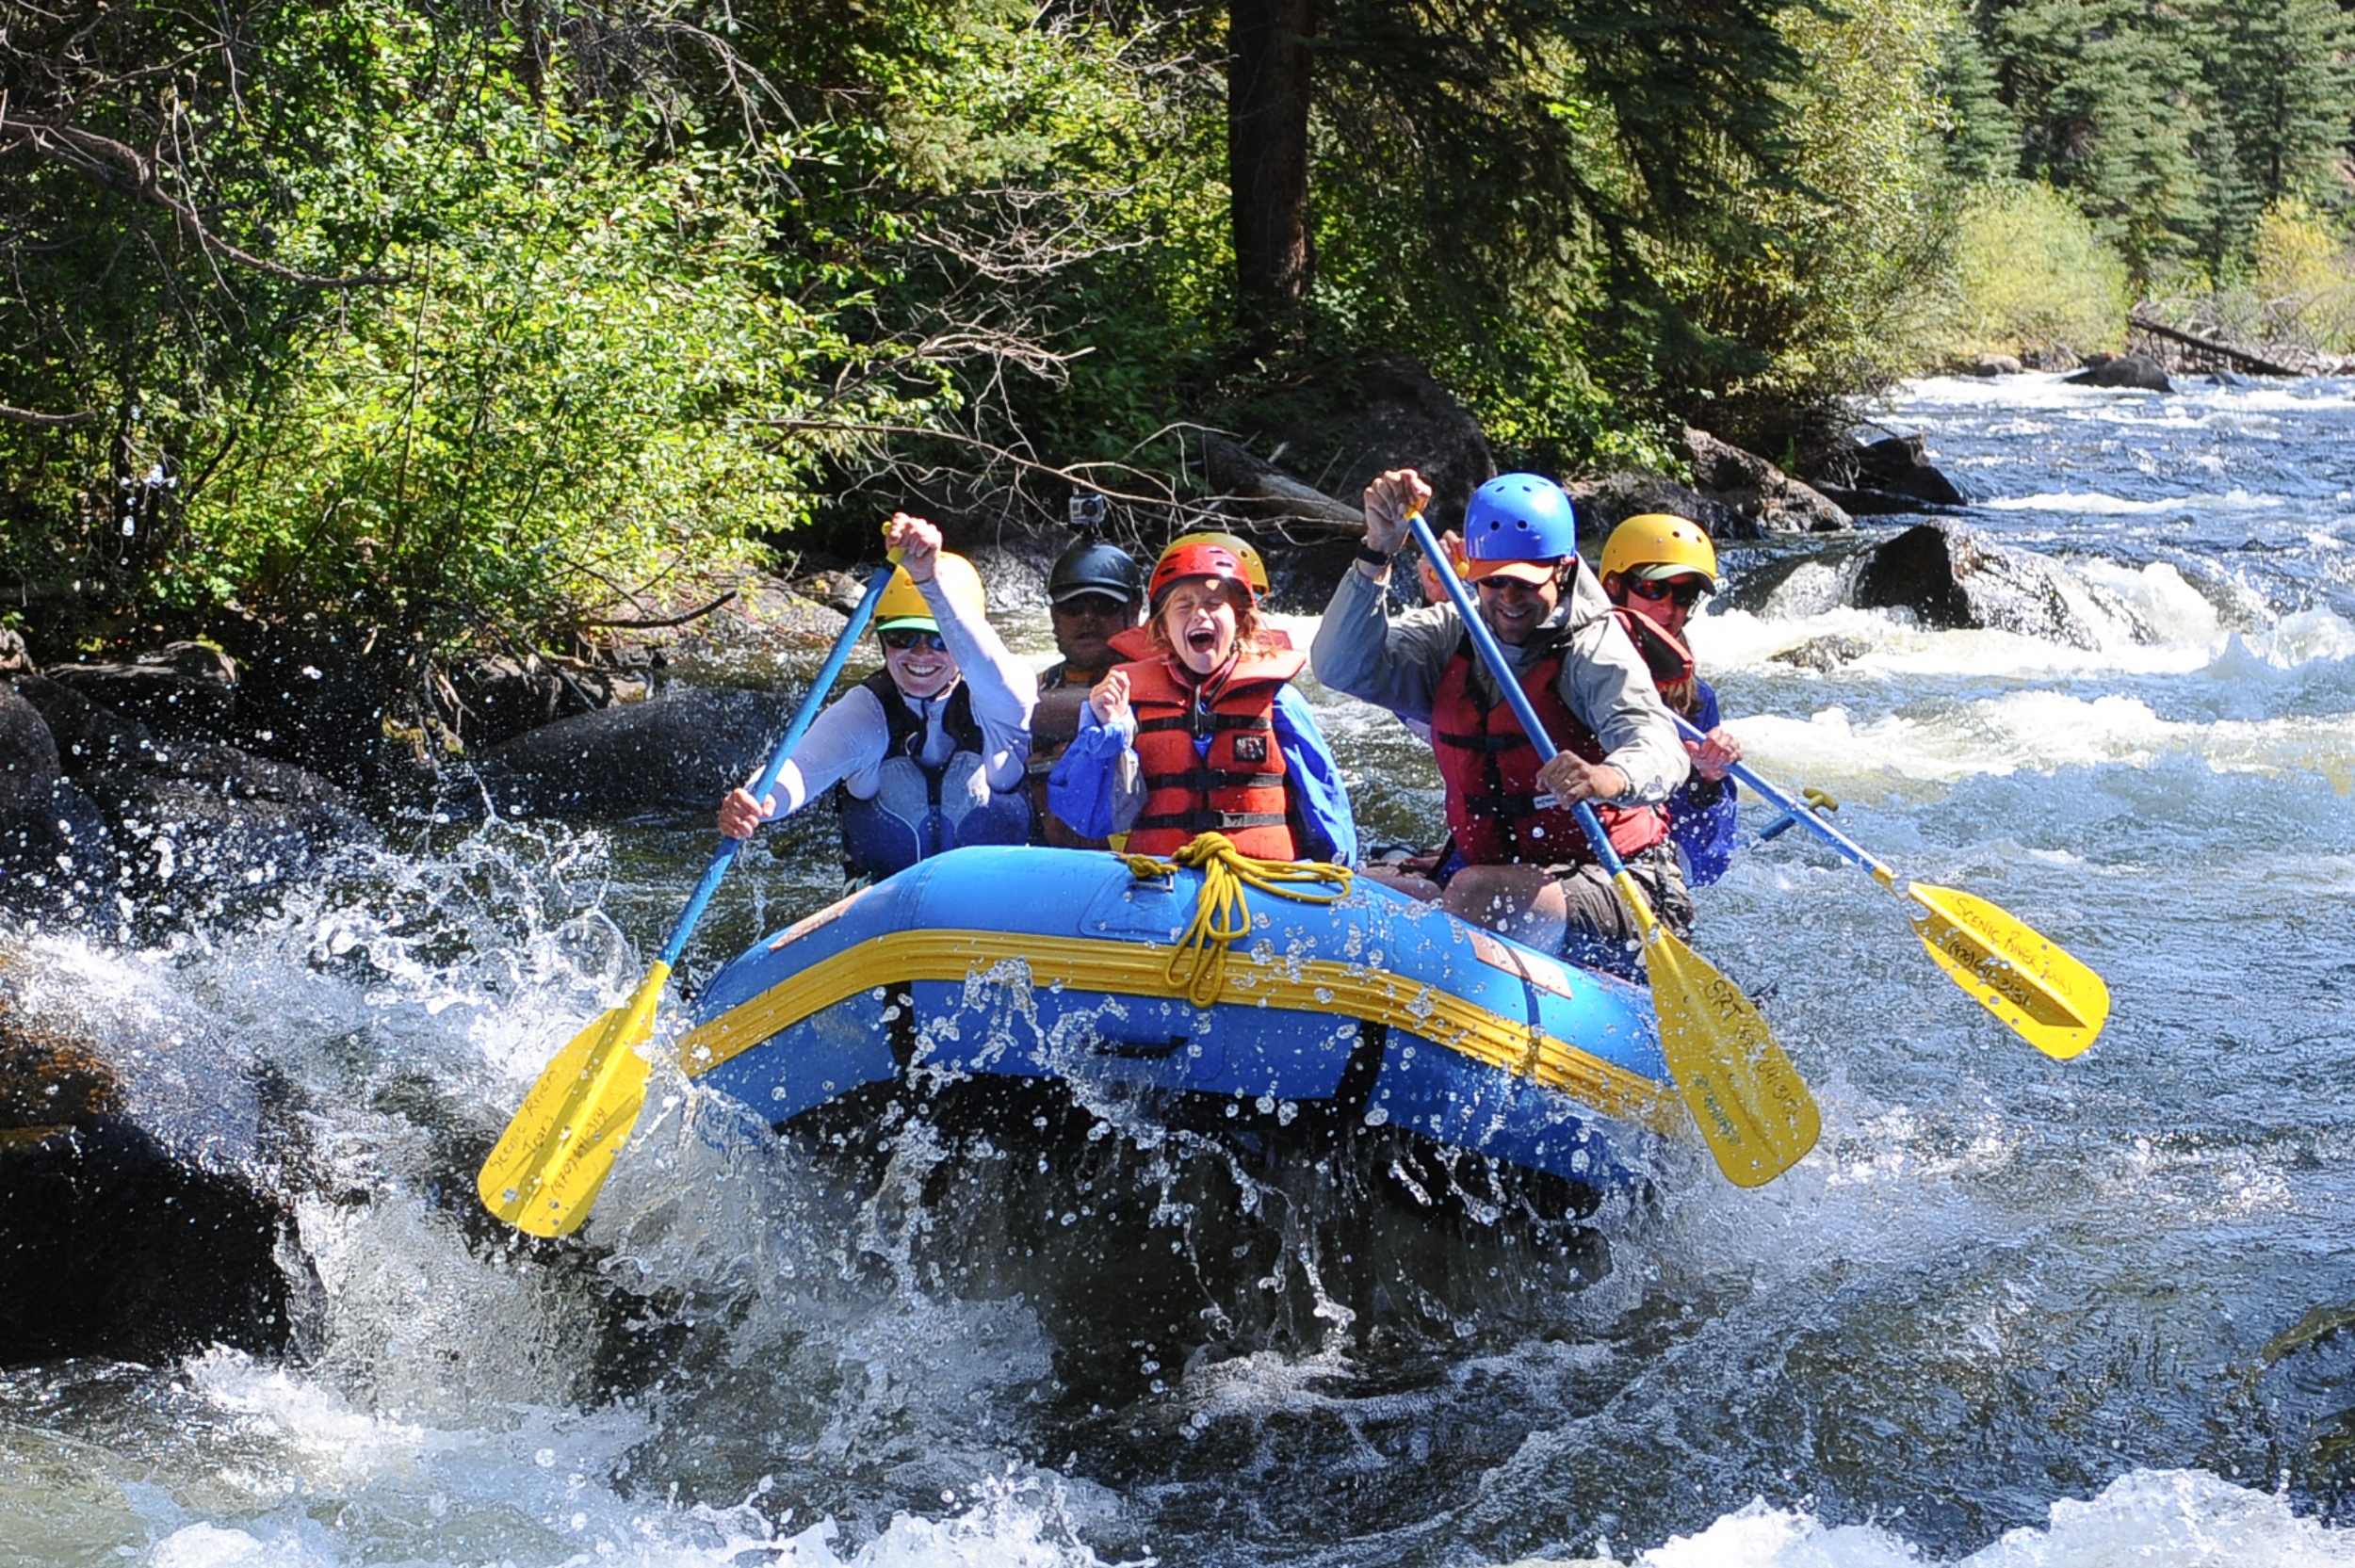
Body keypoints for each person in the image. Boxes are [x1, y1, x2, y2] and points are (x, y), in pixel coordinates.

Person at [1310, 469, 1691, 974]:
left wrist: (1605, 777)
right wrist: (1378, 551)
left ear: (1563, 569)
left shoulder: (1595, 649)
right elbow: (1339, 667)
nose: (1510, 599)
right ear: (1474, 573)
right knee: (1371, 892)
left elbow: (1662, 748)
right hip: (1501, 871)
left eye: (1527, 583)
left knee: (1476, 892)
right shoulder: (1454, 633)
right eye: (1496, 582)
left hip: (1621, 881)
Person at [719, 513, 1037, 879]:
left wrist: (928, 580)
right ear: (882, 639)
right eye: (902, 637)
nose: (920, 654)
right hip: (891, 913)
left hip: (997, 906)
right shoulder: (866, 710)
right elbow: (802, 767)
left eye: (939, 640)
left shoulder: (1006, 699)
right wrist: (758, 799)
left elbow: (987, 662)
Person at [1048, 540, 1356, 864]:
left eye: (1213, 603)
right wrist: (1106, 733)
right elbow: (1085, 817)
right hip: (1162, 880)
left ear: (1240, 620)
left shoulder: (1282, 702)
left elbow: (1325, 804)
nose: (1199, 614)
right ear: (1163, 627)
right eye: (1183, 605)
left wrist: (1335, 873)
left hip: (1259, 880)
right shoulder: (1127, 707)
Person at [1599, 513, 1743, 888]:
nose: (1669, 608)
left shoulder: (1695, 701)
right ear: (1613, 586)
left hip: (1633, 875)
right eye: (1652, 588)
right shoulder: (1564, 671)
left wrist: (1705, 783)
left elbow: (1706, 866)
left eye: (1684, 595)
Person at [1030, 530, 1144, 848]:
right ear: (1054, 616)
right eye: (1073, 607)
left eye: (1104, 606)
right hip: (1047, 865)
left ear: (1133, 611)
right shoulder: (1033, 688)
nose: (1088, 617)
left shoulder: (1165, 687)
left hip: (1132, 867)